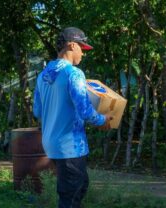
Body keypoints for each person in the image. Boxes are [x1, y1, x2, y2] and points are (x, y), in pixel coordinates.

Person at [33, 27, 112, 208]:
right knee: (70, 196)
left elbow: (37, 111)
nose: (83, 54)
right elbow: (85, 110)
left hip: (51, 143)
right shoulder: (73, 74)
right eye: (81, 48)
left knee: (79, 186)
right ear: (71, 45)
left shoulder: (43, 75)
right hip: (70, 145)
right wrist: (103, 120)